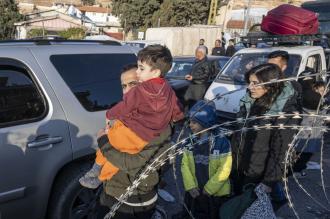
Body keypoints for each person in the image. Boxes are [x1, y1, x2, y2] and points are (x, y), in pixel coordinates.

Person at [80, 45, 184, 189]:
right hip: (145, 137)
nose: (138, 71)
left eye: (141, 69)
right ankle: (99, 175)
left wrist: (109, 115)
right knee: (116, 147)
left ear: (155, 72)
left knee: (111, 140)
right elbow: (176, 108)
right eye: (123, 86)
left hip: (133, 189)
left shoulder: (142, 90)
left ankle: (97, 170)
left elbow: (125, 105)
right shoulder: (168, 89)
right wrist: (179, 117)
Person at [231, 63, 300, 208]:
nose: (250, 87)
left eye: (255, 83)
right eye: (249, 82)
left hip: (257, 173)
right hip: (239, 165)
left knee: (250, 209)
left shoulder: (285, 111)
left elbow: (281, 149)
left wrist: (269, 181)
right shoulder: (249, 100)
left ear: (271, 84)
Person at [177, 100, 232, 219]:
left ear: (205, 123)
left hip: (215, 193)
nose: (190, 125)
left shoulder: (221, 142)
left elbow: (225, 169)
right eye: (190, 121)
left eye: (194, 122)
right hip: (195, 191)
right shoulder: (189, 141)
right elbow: (184, 165)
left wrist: (209, 189)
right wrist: (190, 186)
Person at [184, 46, 210, 110]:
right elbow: (193, 71)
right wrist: (189, 75)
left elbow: (206, 75)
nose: (195, 53)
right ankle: (186, 116)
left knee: (196, 104)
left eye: (196, 52)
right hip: (192, 84)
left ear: (201, 52)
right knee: (186, 100)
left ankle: (193, 118)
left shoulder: (206, 63)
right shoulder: (196, 60)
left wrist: (193, 77)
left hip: (199, 86)